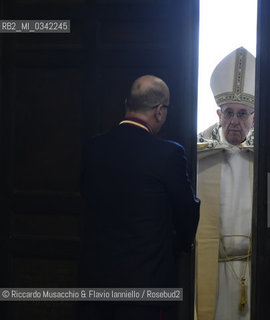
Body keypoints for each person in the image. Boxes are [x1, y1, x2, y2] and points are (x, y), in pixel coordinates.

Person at [79, 75, 200, 320]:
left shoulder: (94, 147)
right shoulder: (169, 154)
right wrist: (179, 246)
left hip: (95, 283)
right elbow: (187, 214)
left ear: (127, 103)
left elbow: (85, 197)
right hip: (146, 286)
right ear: (159, 111)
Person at [196, 47, 255, 320]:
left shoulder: (265, 156)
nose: (234, 121)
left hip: (252, 268)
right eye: (228, 112)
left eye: (242, 114)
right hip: (212, 268)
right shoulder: (200, 155)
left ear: (254, 118)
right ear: (218, 115)